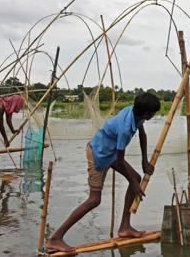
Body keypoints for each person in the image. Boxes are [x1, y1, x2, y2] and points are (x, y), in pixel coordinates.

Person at [45, 92, 160, 253]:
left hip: (110, 152)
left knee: (135, 177)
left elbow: (142, 134)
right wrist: (135, 185)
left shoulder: (136, 113)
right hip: (98, 154)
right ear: (147, 113)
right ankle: (55, 239)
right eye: (154, 113)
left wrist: (144, 160)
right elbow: (120, 160)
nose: (154, 115)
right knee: (94, 199)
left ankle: (124, 227)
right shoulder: (125, 128)